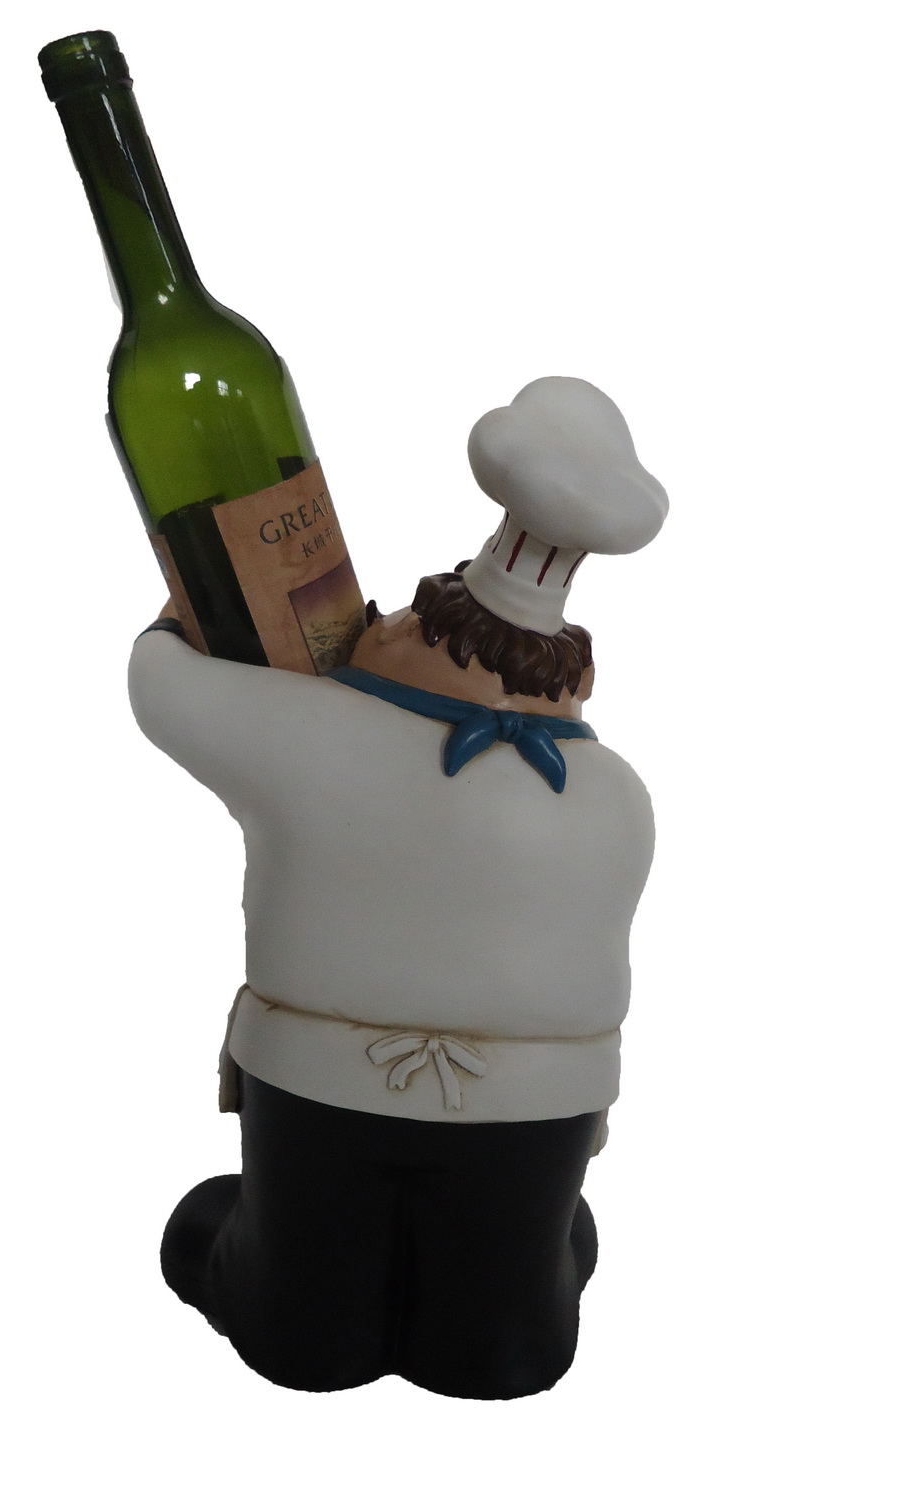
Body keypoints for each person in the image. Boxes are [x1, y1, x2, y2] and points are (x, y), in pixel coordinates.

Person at [128, 377, 667, 1399]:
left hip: (321, 1087)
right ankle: (511, 1314)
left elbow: (159, 686)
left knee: (293, 1305)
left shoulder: (310, 731)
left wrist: (188, 613)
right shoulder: (617, 798)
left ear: (425, 629)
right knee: (506, 1318)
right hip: (533, 1115)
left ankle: (300, 1321)